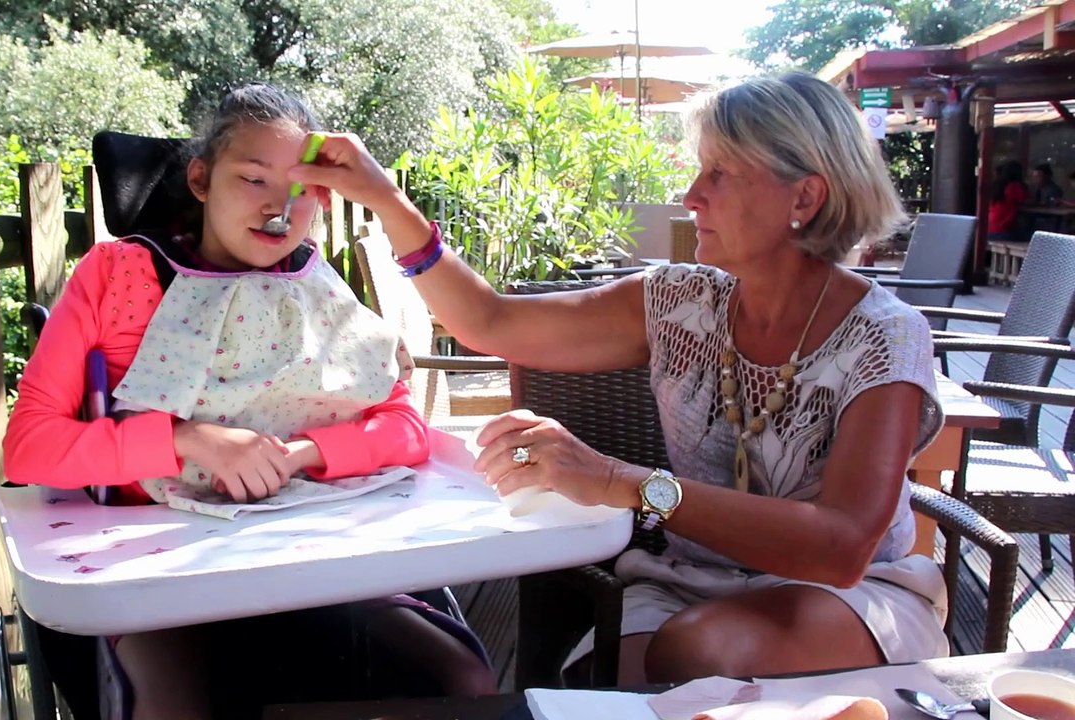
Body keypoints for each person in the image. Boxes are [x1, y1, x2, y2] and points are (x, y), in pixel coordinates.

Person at [291, 71, 948, 686]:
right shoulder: (678, 303)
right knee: (592, 689)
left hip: (852, 597)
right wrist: (384, 197)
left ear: (804, 196)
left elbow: (841, 549)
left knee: (699, 653)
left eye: (718, 174)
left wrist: (617, 481)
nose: (691, 195)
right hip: (687, 582)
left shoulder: (883, 336)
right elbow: (489, 322)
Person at [2, 83, 495, 720]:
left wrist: (296, 455)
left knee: (466, 677)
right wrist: (186, 439)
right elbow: (30, 447)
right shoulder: (115, 275)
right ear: (202, 179)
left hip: (315, 549)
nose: (276, 211)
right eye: (253, 180)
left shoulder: (314, 285)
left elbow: (404, 427)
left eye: (299, 192)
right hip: (158, 567)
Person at [988, 160, 1029, 241]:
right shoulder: (1014, 186)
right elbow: (1026, 201)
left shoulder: (997, 186)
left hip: (990, 230)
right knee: (1034, 236)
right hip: (1003, 231)